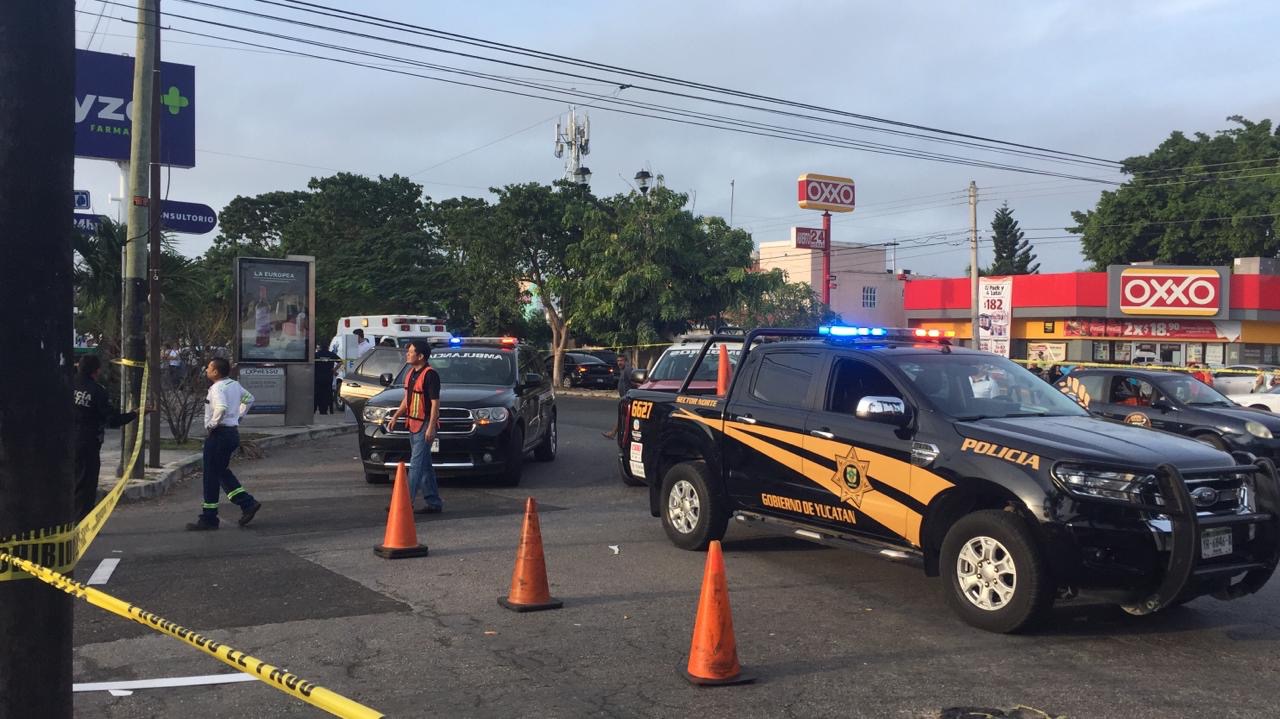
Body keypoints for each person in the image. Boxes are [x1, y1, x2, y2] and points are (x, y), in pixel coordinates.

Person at [188, 358, 262, 531]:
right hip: (231, 434)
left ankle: (209, 518)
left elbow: (220, 407)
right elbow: (249, 399)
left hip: (219, 435)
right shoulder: (234, 385)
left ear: (216, 372)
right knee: (220, 471)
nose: (206, 369)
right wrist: (238, 417)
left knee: (210, 477)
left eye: (209, 367)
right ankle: (247, 503)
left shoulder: (217, 388)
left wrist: (212, 425)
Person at [72, 355, 140, 520]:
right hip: (88, 443)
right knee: (86, 484)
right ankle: (83, 521)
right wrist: (134, 414)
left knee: (70, 480)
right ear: (96, 371)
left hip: (66, 440)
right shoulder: (97, 391)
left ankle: (66, 518)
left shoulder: (67, 383)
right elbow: (113, 419)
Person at [385, 340, 442, 514]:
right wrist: (395, 416)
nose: (407, 354)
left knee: (416, 465)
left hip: (424, 425)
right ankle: (434, 502)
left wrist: (431, 427)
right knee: (424, 465)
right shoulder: (411, 373)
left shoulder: (430, 375)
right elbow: (407, 399)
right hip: (412, 423)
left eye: (410, 352)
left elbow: (435, 404)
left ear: (421, 356)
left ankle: (404, 503)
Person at [603, 355, 634, 439]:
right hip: (624, 398)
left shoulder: (628, 370)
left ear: (626, 361)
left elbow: (634, 382)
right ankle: (614, 433)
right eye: (618, 361)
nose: (619, 362)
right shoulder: (623, 370)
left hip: (629, 398)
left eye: (621, 361)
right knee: (623, 417)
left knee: (623, 417)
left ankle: (614, 434)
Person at [314, 344, 340, 414]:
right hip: (328, 377)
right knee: (327, 394)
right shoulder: (331, 354)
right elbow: (340, 362)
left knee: (317, 393)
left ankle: (315, 409)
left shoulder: (316, 354)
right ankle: (325, 410)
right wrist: (334, 370)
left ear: (320, 348)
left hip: (317, 377)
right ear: (328, 347)